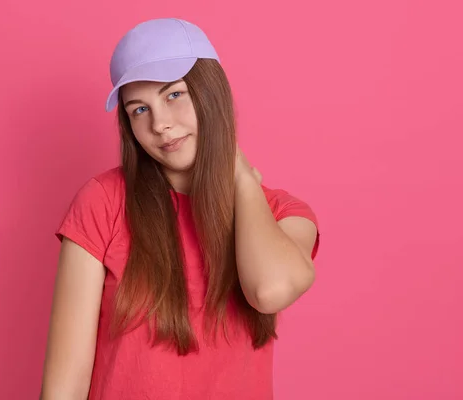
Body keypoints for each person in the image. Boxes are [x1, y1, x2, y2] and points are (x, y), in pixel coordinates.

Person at [40, 18, 320, 400]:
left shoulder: (282, 212)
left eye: (174, 95)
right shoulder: (102, 202)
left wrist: (240, 178)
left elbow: (269, 290)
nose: (160, 124)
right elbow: (63, 388)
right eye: (139, 110)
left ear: (211, 93)